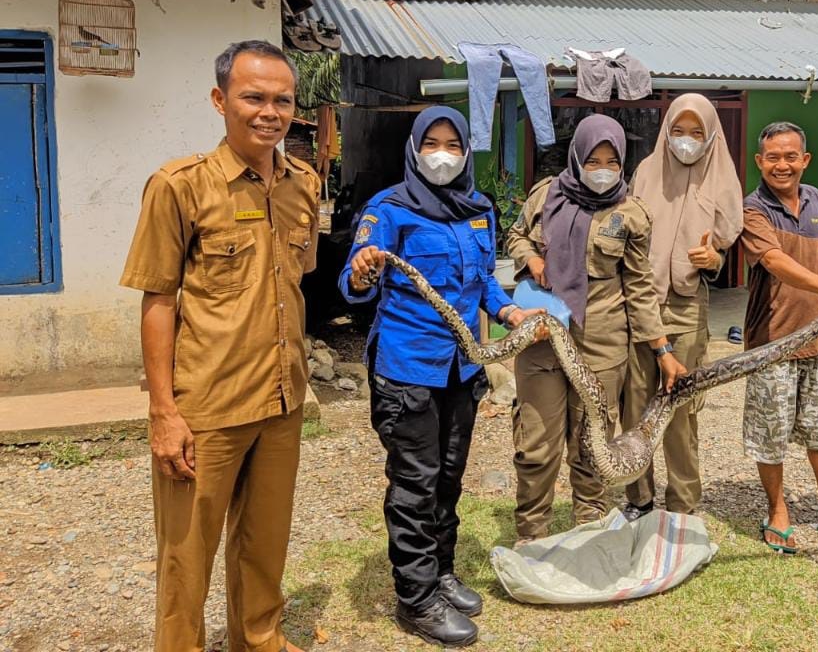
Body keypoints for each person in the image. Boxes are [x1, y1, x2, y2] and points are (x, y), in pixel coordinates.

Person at [120, 40, 319, 652]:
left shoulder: (303, 185)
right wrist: (164, 411)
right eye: (253, 96)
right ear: (220, 100)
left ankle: (258, 641)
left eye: (282, 100)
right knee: (185, 559)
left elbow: (297, 278)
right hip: (206, 407)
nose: (269, 111)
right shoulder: (179, 186)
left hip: (281, 401)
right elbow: (158, 300)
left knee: (263, 549)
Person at [339, 107, 542, 647]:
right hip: (408, 370)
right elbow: (353, 281)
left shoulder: (478, 210)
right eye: (433, 142)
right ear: (414, 147)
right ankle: (415, 598)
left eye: (454, 143)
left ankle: (441, 573)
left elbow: (484, 285)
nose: (444, 154)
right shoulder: (389, 209)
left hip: (463, 367)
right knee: (415, 483)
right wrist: (362, 271)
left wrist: (510, 312)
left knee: (450, 477)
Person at [505, 114, 687, 541]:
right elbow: (517, 237)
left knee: (593, 440)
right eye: (593, 159)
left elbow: (640, 286)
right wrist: (530, 259)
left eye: (612, 161)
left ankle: (589, 528)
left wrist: (661, 349)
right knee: (536, 442)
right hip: (545, 332)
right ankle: (533, 535)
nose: (602, 170)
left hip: (603, 336)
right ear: (577, 157)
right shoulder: (546, 196)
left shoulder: (631, 214)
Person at [740, 121, 818, 554]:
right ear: (760, 162)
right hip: (773, 340)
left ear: (805, 160)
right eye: (773, 157)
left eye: (791, 156)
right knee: (771, 431)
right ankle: (777, 509)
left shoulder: (815, 199)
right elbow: (774, 261)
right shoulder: (752, 208)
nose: (783, 165)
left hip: (817, 337)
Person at [622, 93, 743, 520]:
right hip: (639, 303)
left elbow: (724, 248)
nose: (686, 140)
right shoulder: (646, 172)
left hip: (687, 306)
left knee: (680, 408)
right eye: (678, 131)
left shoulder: (722, 178)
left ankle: (683, 505)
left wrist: (714, 260)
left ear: (711, 136)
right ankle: (638, 498)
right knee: (635, 404)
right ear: (666, 131)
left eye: (696, 132)